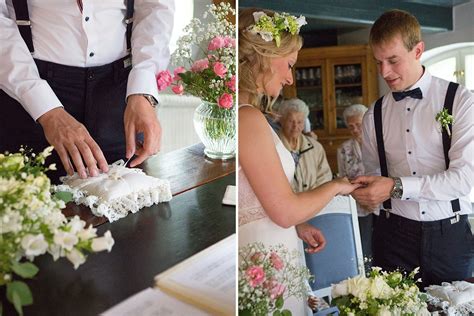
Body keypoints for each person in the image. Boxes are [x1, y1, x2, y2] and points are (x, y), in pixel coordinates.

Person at [238, 8, 360, 314]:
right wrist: (336, 186)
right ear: (264, 56)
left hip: (269, 245)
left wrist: (299, 225)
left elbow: (259, 199)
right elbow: (284, 210)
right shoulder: (247, 117)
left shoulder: (247, 114)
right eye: (290, 65)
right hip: (261, 257)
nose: (291, 77)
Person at [351, 9, 473, 288]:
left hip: (450, 237)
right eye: (378, 62)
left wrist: (397, 186)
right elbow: (374, 176)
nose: (384, 72)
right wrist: (366, 195)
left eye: (393, 60)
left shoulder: (460, 101)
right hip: (391, 238)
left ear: (418, 50)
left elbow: (464, 179)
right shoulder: (374, 114)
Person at [0, 1, 174, 182]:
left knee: (131, 198)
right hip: (28, 91)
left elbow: (156, 6)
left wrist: (143, 89)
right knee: (29, 201)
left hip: (122, 94)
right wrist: (45, 109)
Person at [337, 104, 375, 261]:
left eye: (358, 125)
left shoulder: (380, 144)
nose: (355, 130)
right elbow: (343, 179)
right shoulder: (343, 149)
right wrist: (363, 200)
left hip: (383, 205)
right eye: (350, 126)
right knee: (364, 250)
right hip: (359, 206)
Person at [278, 98, 332, 192]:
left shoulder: (315, 147)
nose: (295, 126)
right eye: (291, 121)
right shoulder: (272, 146)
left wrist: (311, 196)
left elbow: (325, 176)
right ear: (282, 121)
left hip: (313, 201)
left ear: (304, 124)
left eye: (300, 122)